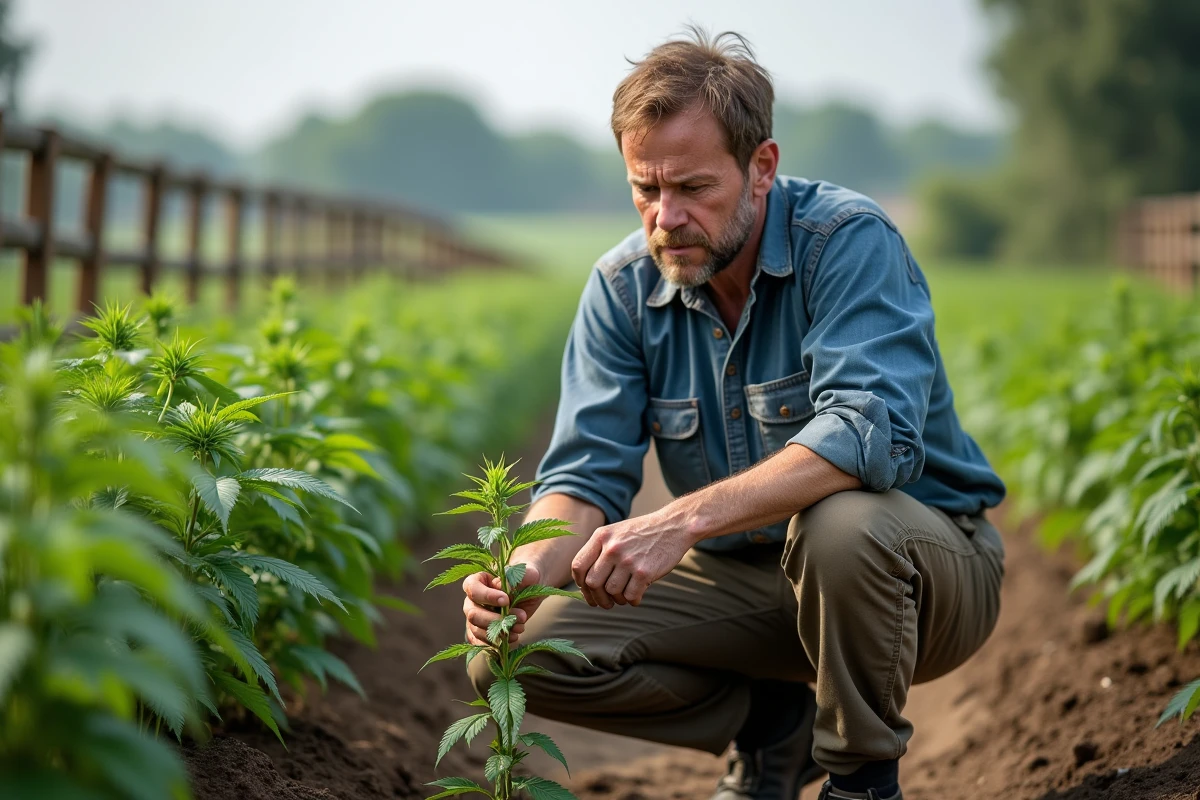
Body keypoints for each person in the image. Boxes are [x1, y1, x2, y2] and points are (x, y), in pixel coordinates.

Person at [462, 27, 1006, 800]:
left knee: (840, 523)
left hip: (921, 575)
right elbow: (585, 471)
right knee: (514, 660)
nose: (665, 217)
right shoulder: (622, 289)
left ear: (762, 168)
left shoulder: (846, 242)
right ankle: (772, 726)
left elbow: (862, 434)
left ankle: (859, 778)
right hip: (746, 584)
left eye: (692, 188)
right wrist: (524, 569)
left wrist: (678, 521)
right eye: (645, 189)